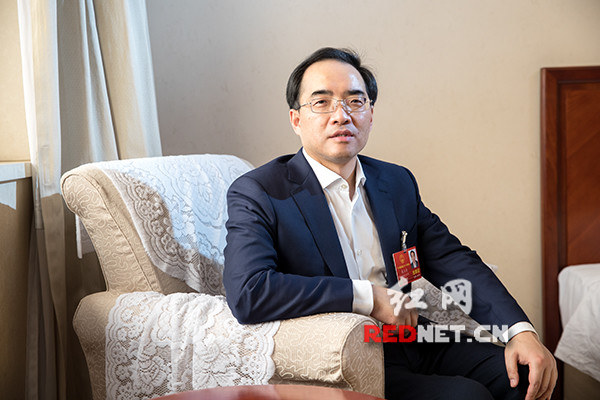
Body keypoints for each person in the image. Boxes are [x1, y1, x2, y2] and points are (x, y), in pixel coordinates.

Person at [223, 47, 556, 400]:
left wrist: (519, 331)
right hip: (343, 355)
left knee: (525, 375)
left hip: (410, 337)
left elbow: (452, 259)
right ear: (296, 119)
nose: (341, 115)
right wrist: (369, 297)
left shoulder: (395, 182)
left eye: (355, 101)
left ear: (370, 114)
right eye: (322, 102)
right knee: (465, 396)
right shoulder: (260, 191)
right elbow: (249, 291)